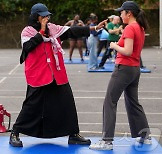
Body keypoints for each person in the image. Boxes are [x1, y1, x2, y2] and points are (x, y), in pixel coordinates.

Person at [9, 3, 106, 147]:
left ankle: (73, 134)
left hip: (56, 73)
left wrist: (94, 28)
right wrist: (41, 32)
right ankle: (15, 133)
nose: (47, 18)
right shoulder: (27, 31)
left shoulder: (53, 29)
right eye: (43, 15)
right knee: (32, 105)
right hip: (38, 74)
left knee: (67, 103)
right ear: (36, 17)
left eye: (47, 15)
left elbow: (72, 31)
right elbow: (28, 47)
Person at [89, 1, 151, 150]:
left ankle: (107, 141)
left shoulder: (130, 28)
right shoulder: (140, 27)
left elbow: (128, 51)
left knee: (109, 101)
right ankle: (144, 136)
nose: (120, 15)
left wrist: (114, 45)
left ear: (128, 13)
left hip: (124, 68)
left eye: (121, 12)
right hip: (134, 69)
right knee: (133, 103)